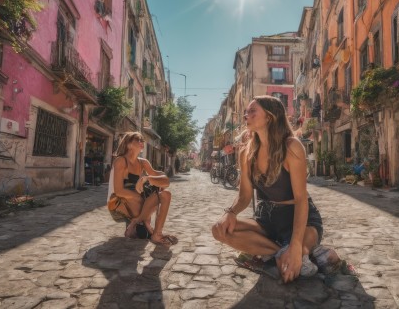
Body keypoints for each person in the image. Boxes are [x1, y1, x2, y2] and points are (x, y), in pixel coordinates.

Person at [212, 96, 352, 283]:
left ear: (270, 117)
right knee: (219, 229)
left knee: (292, 263)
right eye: (246, 112)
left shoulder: (292, 147)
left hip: (299, 218)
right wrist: (231, 212)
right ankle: (281, 252)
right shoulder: (246, 152)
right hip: (266, 219)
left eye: (253, 111)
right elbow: (245, 195)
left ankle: (293, 251)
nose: (246, 116)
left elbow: (301, 199)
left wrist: (295, 245)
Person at [107, 132, 178, 246]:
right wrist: (141, 199)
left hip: (140, 202)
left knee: (166, 194)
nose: (142, 142)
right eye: (138, 140)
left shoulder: (143, 162)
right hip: (120, 202)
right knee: (144, 230)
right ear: (129, 145)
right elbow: (119, 191)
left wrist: (147, 178)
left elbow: (166, 181)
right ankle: (144, 224)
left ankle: (154, 233)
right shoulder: (121, 161)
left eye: (142, 140)